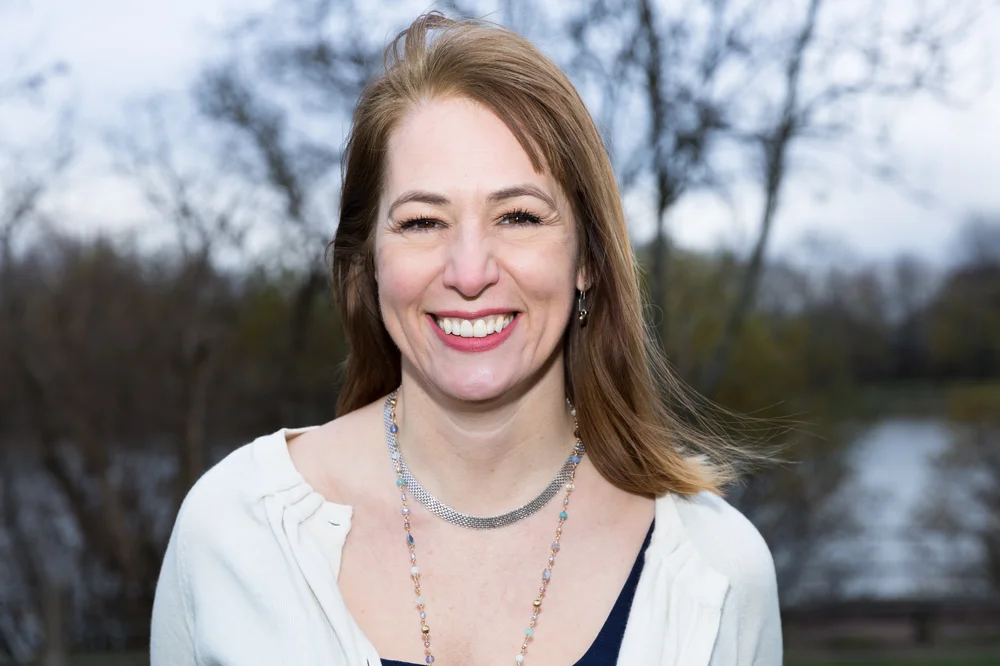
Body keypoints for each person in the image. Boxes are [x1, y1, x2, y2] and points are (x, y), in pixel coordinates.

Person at [150, 12, 781, 666]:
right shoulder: (234, 532)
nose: (470, 272)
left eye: (518, 216)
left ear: (586, 260)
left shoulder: (716, 576)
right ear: (368, 261)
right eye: (423, 221)